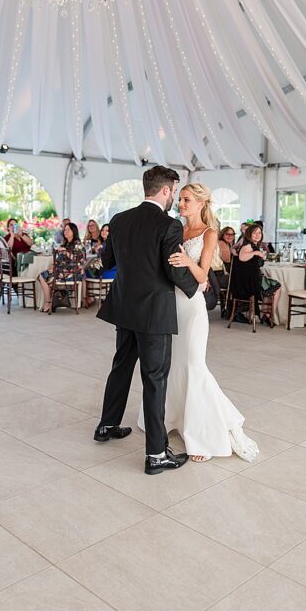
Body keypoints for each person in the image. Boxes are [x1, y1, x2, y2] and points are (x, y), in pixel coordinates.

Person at [94, 165, 199, 475]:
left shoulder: (119, 219)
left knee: (121, 367)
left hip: (124, 308)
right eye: (174, 192)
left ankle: (107, 425)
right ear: (165, 190)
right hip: (153, 314)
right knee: (154, 379)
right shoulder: (170, 225)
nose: (174, 199)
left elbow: (108, 261)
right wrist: (196, 289)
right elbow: (172, 269)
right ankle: (156, 454)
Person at [158, 184, 260, 462]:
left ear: (201, 203)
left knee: (194, 365)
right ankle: (177, 419)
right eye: (180, 199)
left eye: (186, 200)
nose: (181, 204)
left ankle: (203, 433)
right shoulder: (176, 228)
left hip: (192, 307)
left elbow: (203, 275)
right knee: (174, 364)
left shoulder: (209, 233)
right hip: (172, 304)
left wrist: (185, 261)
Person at [231, 223, 282, 327]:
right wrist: (255, 253)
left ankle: (266, 315)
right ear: (249, 234)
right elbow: (242, 257)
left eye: (259, 233)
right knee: (277, 287)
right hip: (250, 284)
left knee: (270, 287)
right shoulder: (248, 245)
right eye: (254, 233)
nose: (257, 235)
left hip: (251, 280)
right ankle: (268, 315)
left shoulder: (254, 245)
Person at [37, 221, 80, 313]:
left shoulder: (78, 244)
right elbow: (59, 260)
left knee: (44, 276)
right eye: (65, 230)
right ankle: (50, 302)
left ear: (74, 231)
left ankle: (49, 302)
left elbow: (80, 261)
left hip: (73, 273)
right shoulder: (65, 244)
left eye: (68, 230)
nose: (66, 231)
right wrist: (54, 266)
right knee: (43, 276)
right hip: (62, 271)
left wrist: (66, 252)